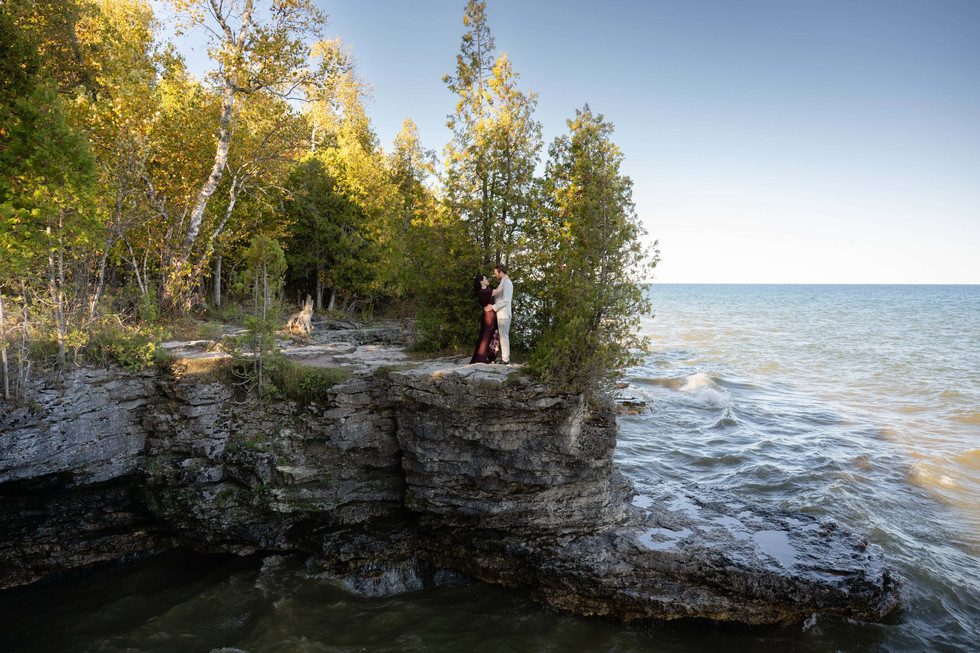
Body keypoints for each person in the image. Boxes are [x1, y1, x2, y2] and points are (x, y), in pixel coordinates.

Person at [486, 264, 513, 365]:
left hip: (504, 314)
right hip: (501, 313)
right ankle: (504, 358)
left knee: (504, 336)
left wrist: (493, 307)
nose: (494, 275)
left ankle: (506, 360)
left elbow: (505, 300)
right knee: (502, 336)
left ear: (501, 273)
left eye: (495, 273)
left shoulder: (507, 283)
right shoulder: (503, 282)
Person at [469, 274, 498, 364]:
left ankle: (488, 356)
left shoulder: (486, 291)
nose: (487, 280)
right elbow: (499, 290)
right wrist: (505, 279)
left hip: (491, 315)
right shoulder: (483, 292)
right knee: (486, 336)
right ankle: (481, 357)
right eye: (485, 279)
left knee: (491, 335)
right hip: (489, 316)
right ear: (481, 282)